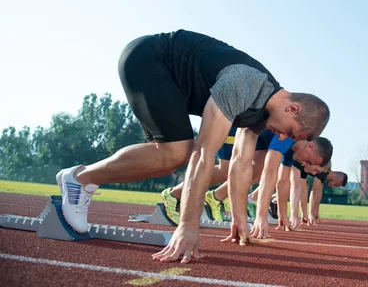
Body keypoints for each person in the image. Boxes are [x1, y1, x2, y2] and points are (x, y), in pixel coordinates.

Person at [55, 30, 330, 263]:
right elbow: (203, 154)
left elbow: (241, 163)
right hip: (149, 59)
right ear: (292, 108)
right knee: (177, 152)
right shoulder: (245, 85)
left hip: (172, 83)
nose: (283, 139)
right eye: (290, 132)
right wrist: (188, 225)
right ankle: (80, 179)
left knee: (171, 154)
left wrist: (238, 219)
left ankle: (81, 177)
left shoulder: (261, 114)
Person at [161, 127, 332, 224]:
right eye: (309, 162)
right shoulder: (289, 137)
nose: (304, 165)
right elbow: (271, 172)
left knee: (254, 171)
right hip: (239, 126)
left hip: (257, 136)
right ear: (309, 147)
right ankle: (173, 194)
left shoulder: (293, 150)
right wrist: (261, 216)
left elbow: (282, 182)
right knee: (225, 169)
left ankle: (215, 198)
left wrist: (283, 216)